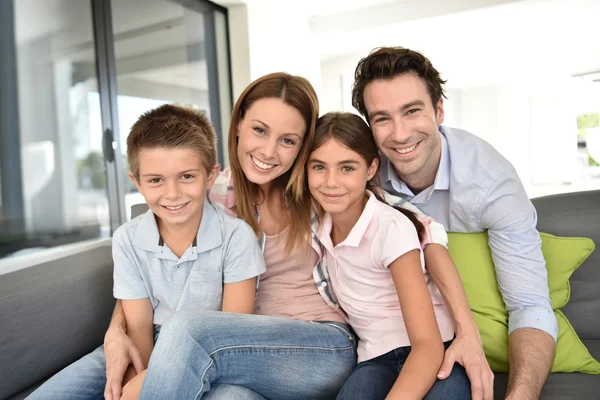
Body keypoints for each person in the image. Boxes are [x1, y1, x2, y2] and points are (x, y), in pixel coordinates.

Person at [115, 72, 358, 400]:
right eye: (259, 130)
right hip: (237, 350)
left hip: (318, 347)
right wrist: (115, 331)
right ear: (239, 125)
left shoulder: (323, 190)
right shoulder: (204, 193)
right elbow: (144, 264)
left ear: (302, 146)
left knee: (188, 330)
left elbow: (403, 221)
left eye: (288, 140)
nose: (269, 151)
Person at [351, 46, 556, 400]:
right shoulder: (362, 172)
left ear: (439, 109)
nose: (399, 135)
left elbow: (529, 305)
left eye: (412, 111)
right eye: (382, 118)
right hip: (384, 344)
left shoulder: (493, 184)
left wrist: (520, 395)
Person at [25, 104, 266, 400]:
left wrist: (159, 384)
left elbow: (231, 334)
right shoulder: (127, 238)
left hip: (212, 354)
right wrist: (139, 380)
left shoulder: (236, 236)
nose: (172, 193)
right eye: (155, 180)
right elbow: (138, 327)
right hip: (144, 344)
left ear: (211, 174)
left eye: (187, 176)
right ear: (136, 182)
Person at [307, 112, 471, 399]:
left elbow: (427, 345)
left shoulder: (391, 228)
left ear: (371, 169)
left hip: (435, 350)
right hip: (376, 358)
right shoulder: (318, 224)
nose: (331, 182)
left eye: (347, 168)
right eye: (319, 167)